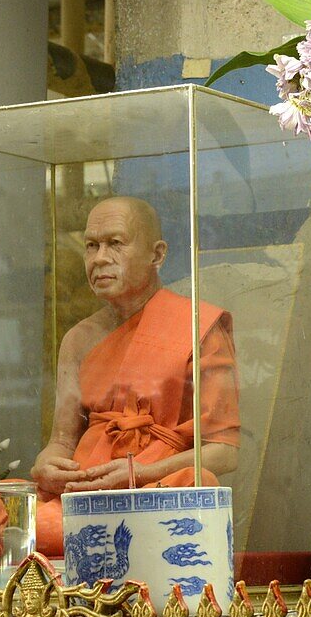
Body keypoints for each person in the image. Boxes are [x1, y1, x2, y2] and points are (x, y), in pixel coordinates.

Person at [31, 196, 240, 555]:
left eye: (115, 243)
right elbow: (62, 441)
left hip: (154, 486)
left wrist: (138, 474)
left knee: (197, 482)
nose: (99, 258)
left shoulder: (198, 328)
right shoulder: (78, 340)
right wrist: (46, 465)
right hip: (84, 490)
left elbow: (224, 453)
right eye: (91, 246)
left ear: (156, 255)